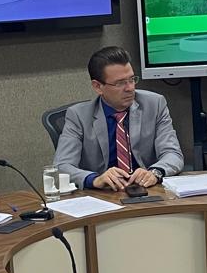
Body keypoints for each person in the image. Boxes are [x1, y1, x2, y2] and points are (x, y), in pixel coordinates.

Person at [53, 46, 184, 192]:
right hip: (102, 195)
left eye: (132, 79)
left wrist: (155, 172)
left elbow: (173, 154)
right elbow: (61, 166)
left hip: (147, 190)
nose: (130, 88)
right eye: (120, 83)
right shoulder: (78, 116)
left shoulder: (155, 104)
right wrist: (95, 179)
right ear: (98, 87)